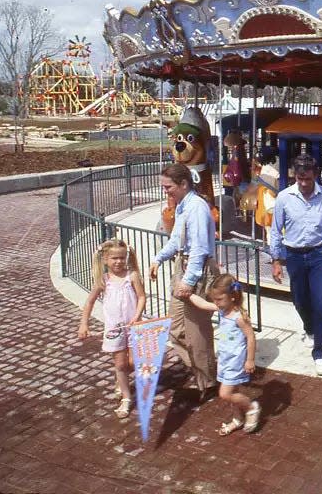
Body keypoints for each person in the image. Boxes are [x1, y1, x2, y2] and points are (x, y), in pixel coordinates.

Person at [269, 154, 322, 376]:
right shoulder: (284, 197)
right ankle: (309, 328)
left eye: (307, 179)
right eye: (299, 179)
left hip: (319, 254)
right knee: (300, 300)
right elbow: (276, 231)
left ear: (315, 175)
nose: (303, 184)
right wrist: (276, 260)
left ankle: (319, 352)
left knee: (321, 304)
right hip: (293, 255)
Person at [149, 163, 219, 399]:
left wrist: (189, 282)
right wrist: (158, 259)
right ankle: (204, 369)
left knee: (197, 331)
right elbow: (176, 241)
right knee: (176, 329)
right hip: (183, 265)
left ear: (183, 184)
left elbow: (199, 248)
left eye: (168, 187)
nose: (165, 191)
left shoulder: (197, 207)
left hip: (196, 270)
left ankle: (207, 382)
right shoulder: (181, 207)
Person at [78, 238, 146, 418]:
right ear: (106, 260)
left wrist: (137, 316)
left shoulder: (132, 276)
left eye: (122, 258)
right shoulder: (104, 280)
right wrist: (84, 323)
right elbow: (90, 301)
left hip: (133, 326)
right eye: (114, 258)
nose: (118, 262)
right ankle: (126, 397)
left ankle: (120, 378)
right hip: (114, 329)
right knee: (120, 363)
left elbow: (141, 297)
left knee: (133, 363)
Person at [188, 273, 261, 435]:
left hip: (236, 361)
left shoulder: (239, 317)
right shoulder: (222, 310)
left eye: (219, 299)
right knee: (233, 391)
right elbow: (203, 304)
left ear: (232, 296)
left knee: (225, 393)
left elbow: (251, 337)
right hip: (224, 359)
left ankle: (251, 407)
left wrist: (250, 359)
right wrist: (189, 294)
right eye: (215, 299)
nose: (216, 303)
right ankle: (238, 418)